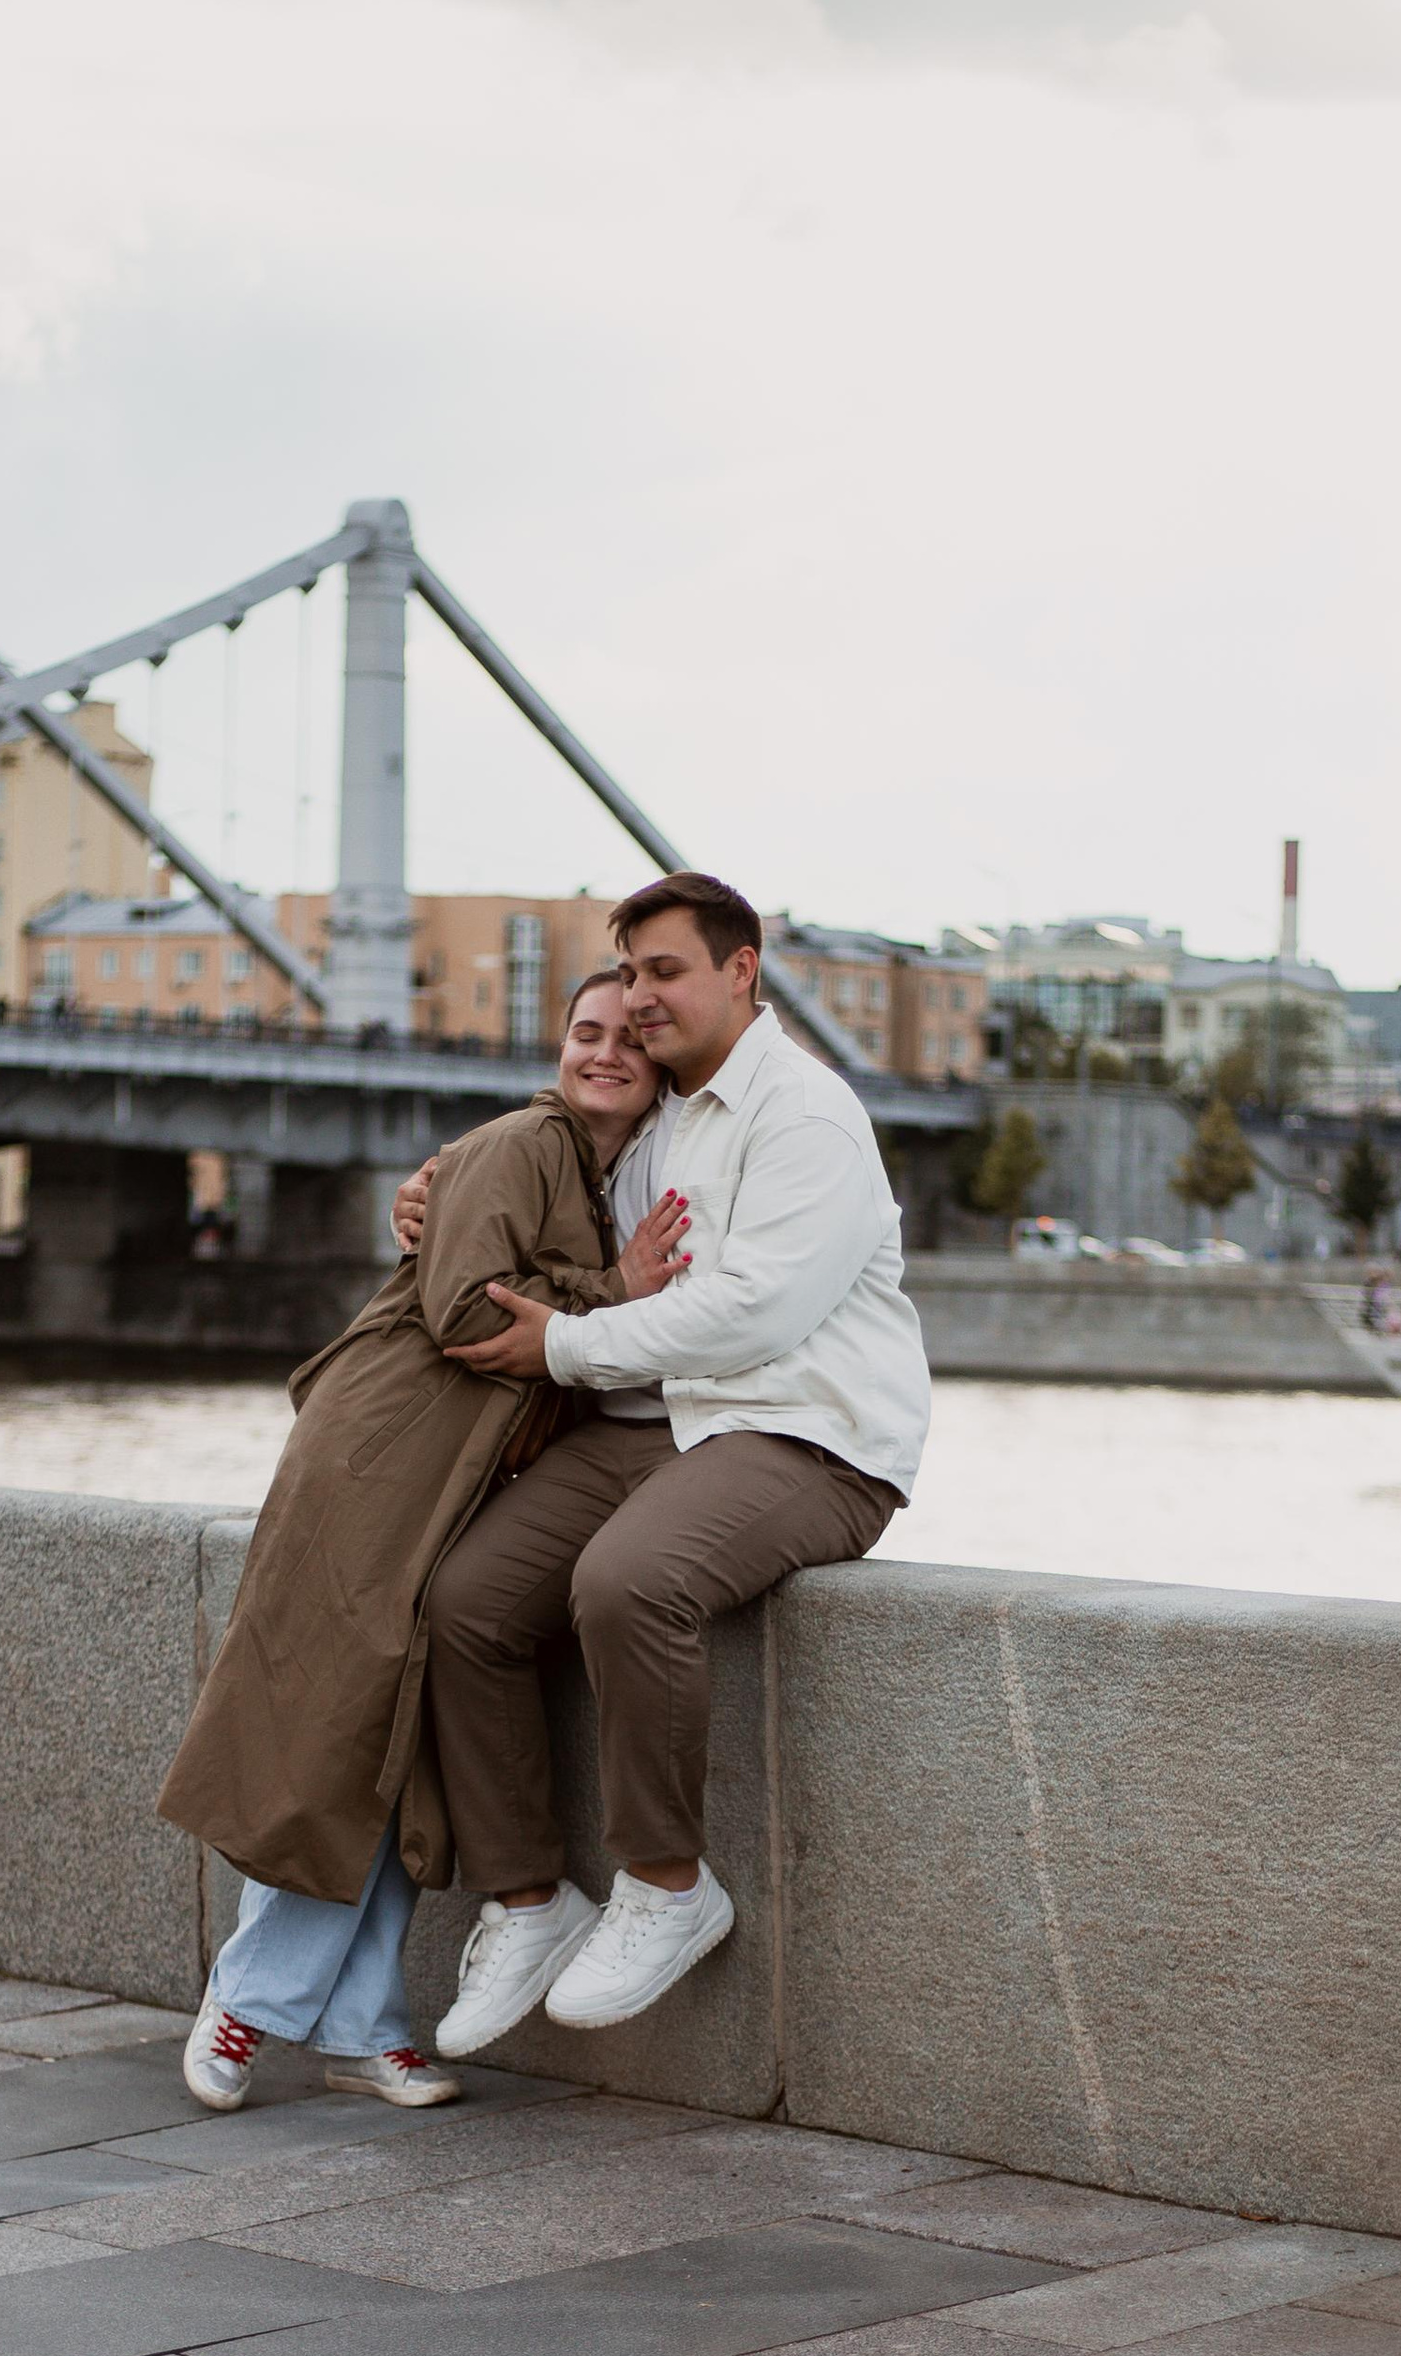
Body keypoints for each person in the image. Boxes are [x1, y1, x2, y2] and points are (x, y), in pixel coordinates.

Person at [155, 974, 688, 2112]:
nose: (603, 1053)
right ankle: (244, 1999)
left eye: (628, 1040)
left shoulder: (609, 1171)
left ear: (661, 1068)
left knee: (398, 1737)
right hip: (381, 1459)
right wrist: (619, 1289)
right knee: (334, 1727)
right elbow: (464, 1313)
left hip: (458, 1475)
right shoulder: (522, 1143)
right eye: (583, 1032)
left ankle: (363, 2026)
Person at [423, 869, 929, 2054]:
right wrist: (436, 1193)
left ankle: (666, 1885)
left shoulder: (804, 1117)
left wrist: (564, 1346)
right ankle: (530, 1902)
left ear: (740, 971)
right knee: (464, 1602)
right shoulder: (658, 1115)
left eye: (665, 972)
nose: (642, 998)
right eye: (628, 974)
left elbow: (753, 1313)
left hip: (807, 1435)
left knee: (629, 1580)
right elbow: (543, 1169)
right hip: (654, 1427)